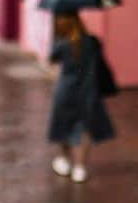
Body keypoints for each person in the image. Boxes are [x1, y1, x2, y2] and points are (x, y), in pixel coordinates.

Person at [47, 12, 117, 184]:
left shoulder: (62, 44)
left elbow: (51, 60)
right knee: (84, 128)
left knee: (64, 126)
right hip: (88, 91)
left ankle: (64, 160)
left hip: (66, 91)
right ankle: (80, 167)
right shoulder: (92, 42)